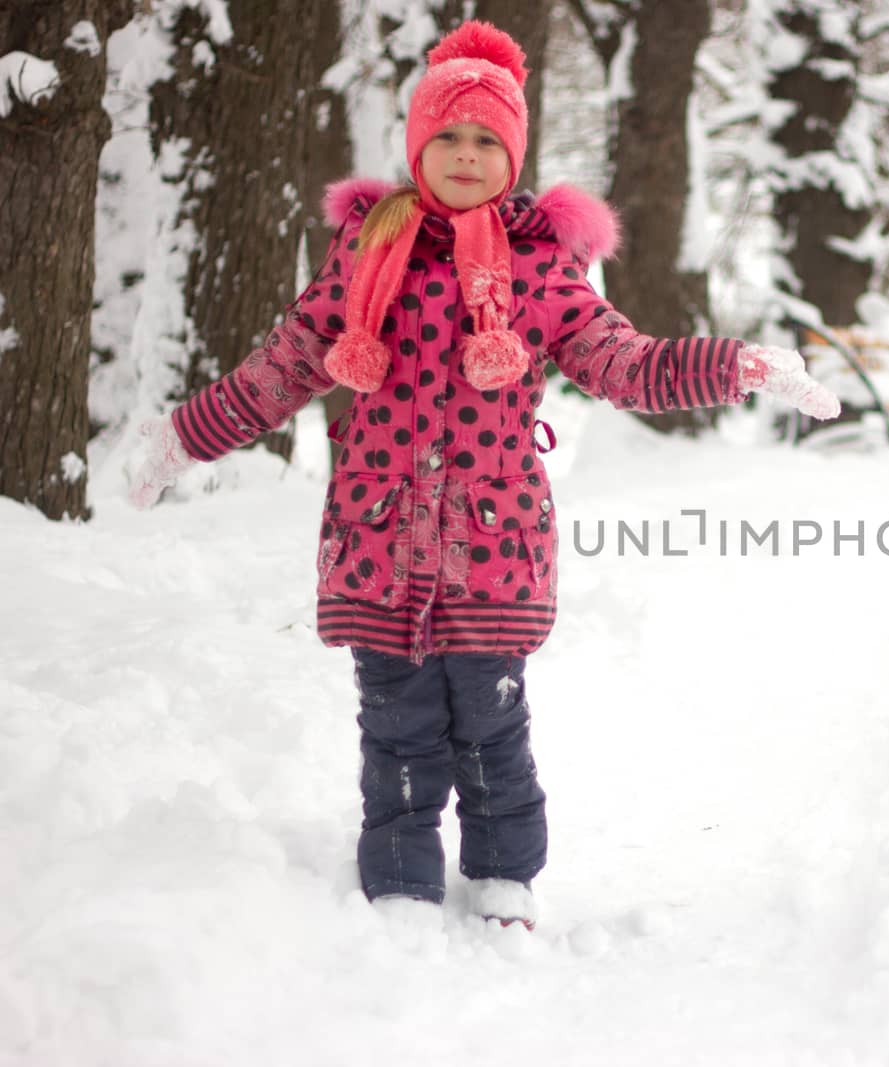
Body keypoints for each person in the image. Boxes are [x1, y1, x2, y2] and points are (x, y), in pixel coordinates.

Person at [128, 20, 840, 931]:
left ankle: (505, 871)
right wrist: (180, 439)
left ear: (514, 154)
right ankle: (400, 874)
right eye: (449, 137)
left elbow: (626, 363)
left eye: (487, 140)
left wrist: (735, 363)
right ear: (420, 145)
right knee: (394, 723)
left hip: (492, 542)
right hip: (377, 538)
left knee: (491, 721)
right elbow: (283, 368)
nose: (467, 155)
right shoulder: (365, 254)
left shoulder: (543, 267)